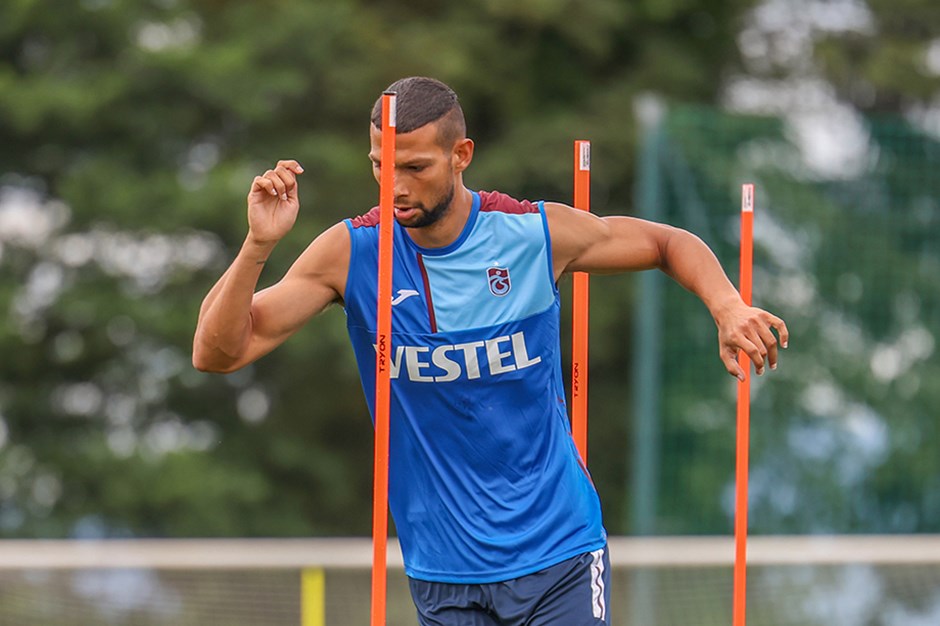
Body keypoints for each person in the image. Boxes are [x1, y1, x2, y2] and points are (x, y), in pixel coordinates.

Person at [193, 76, 788, 626]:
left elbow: (665, 242)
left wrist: (727, 306)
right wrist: (258, 244)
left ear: (461, 155)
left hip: (559, 551)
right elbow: (219, 351)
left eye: (415, 167)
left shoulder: (530, 235)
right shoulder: (352, 253)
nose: (394, 186)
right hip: (443, 571)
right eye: (380, 165)